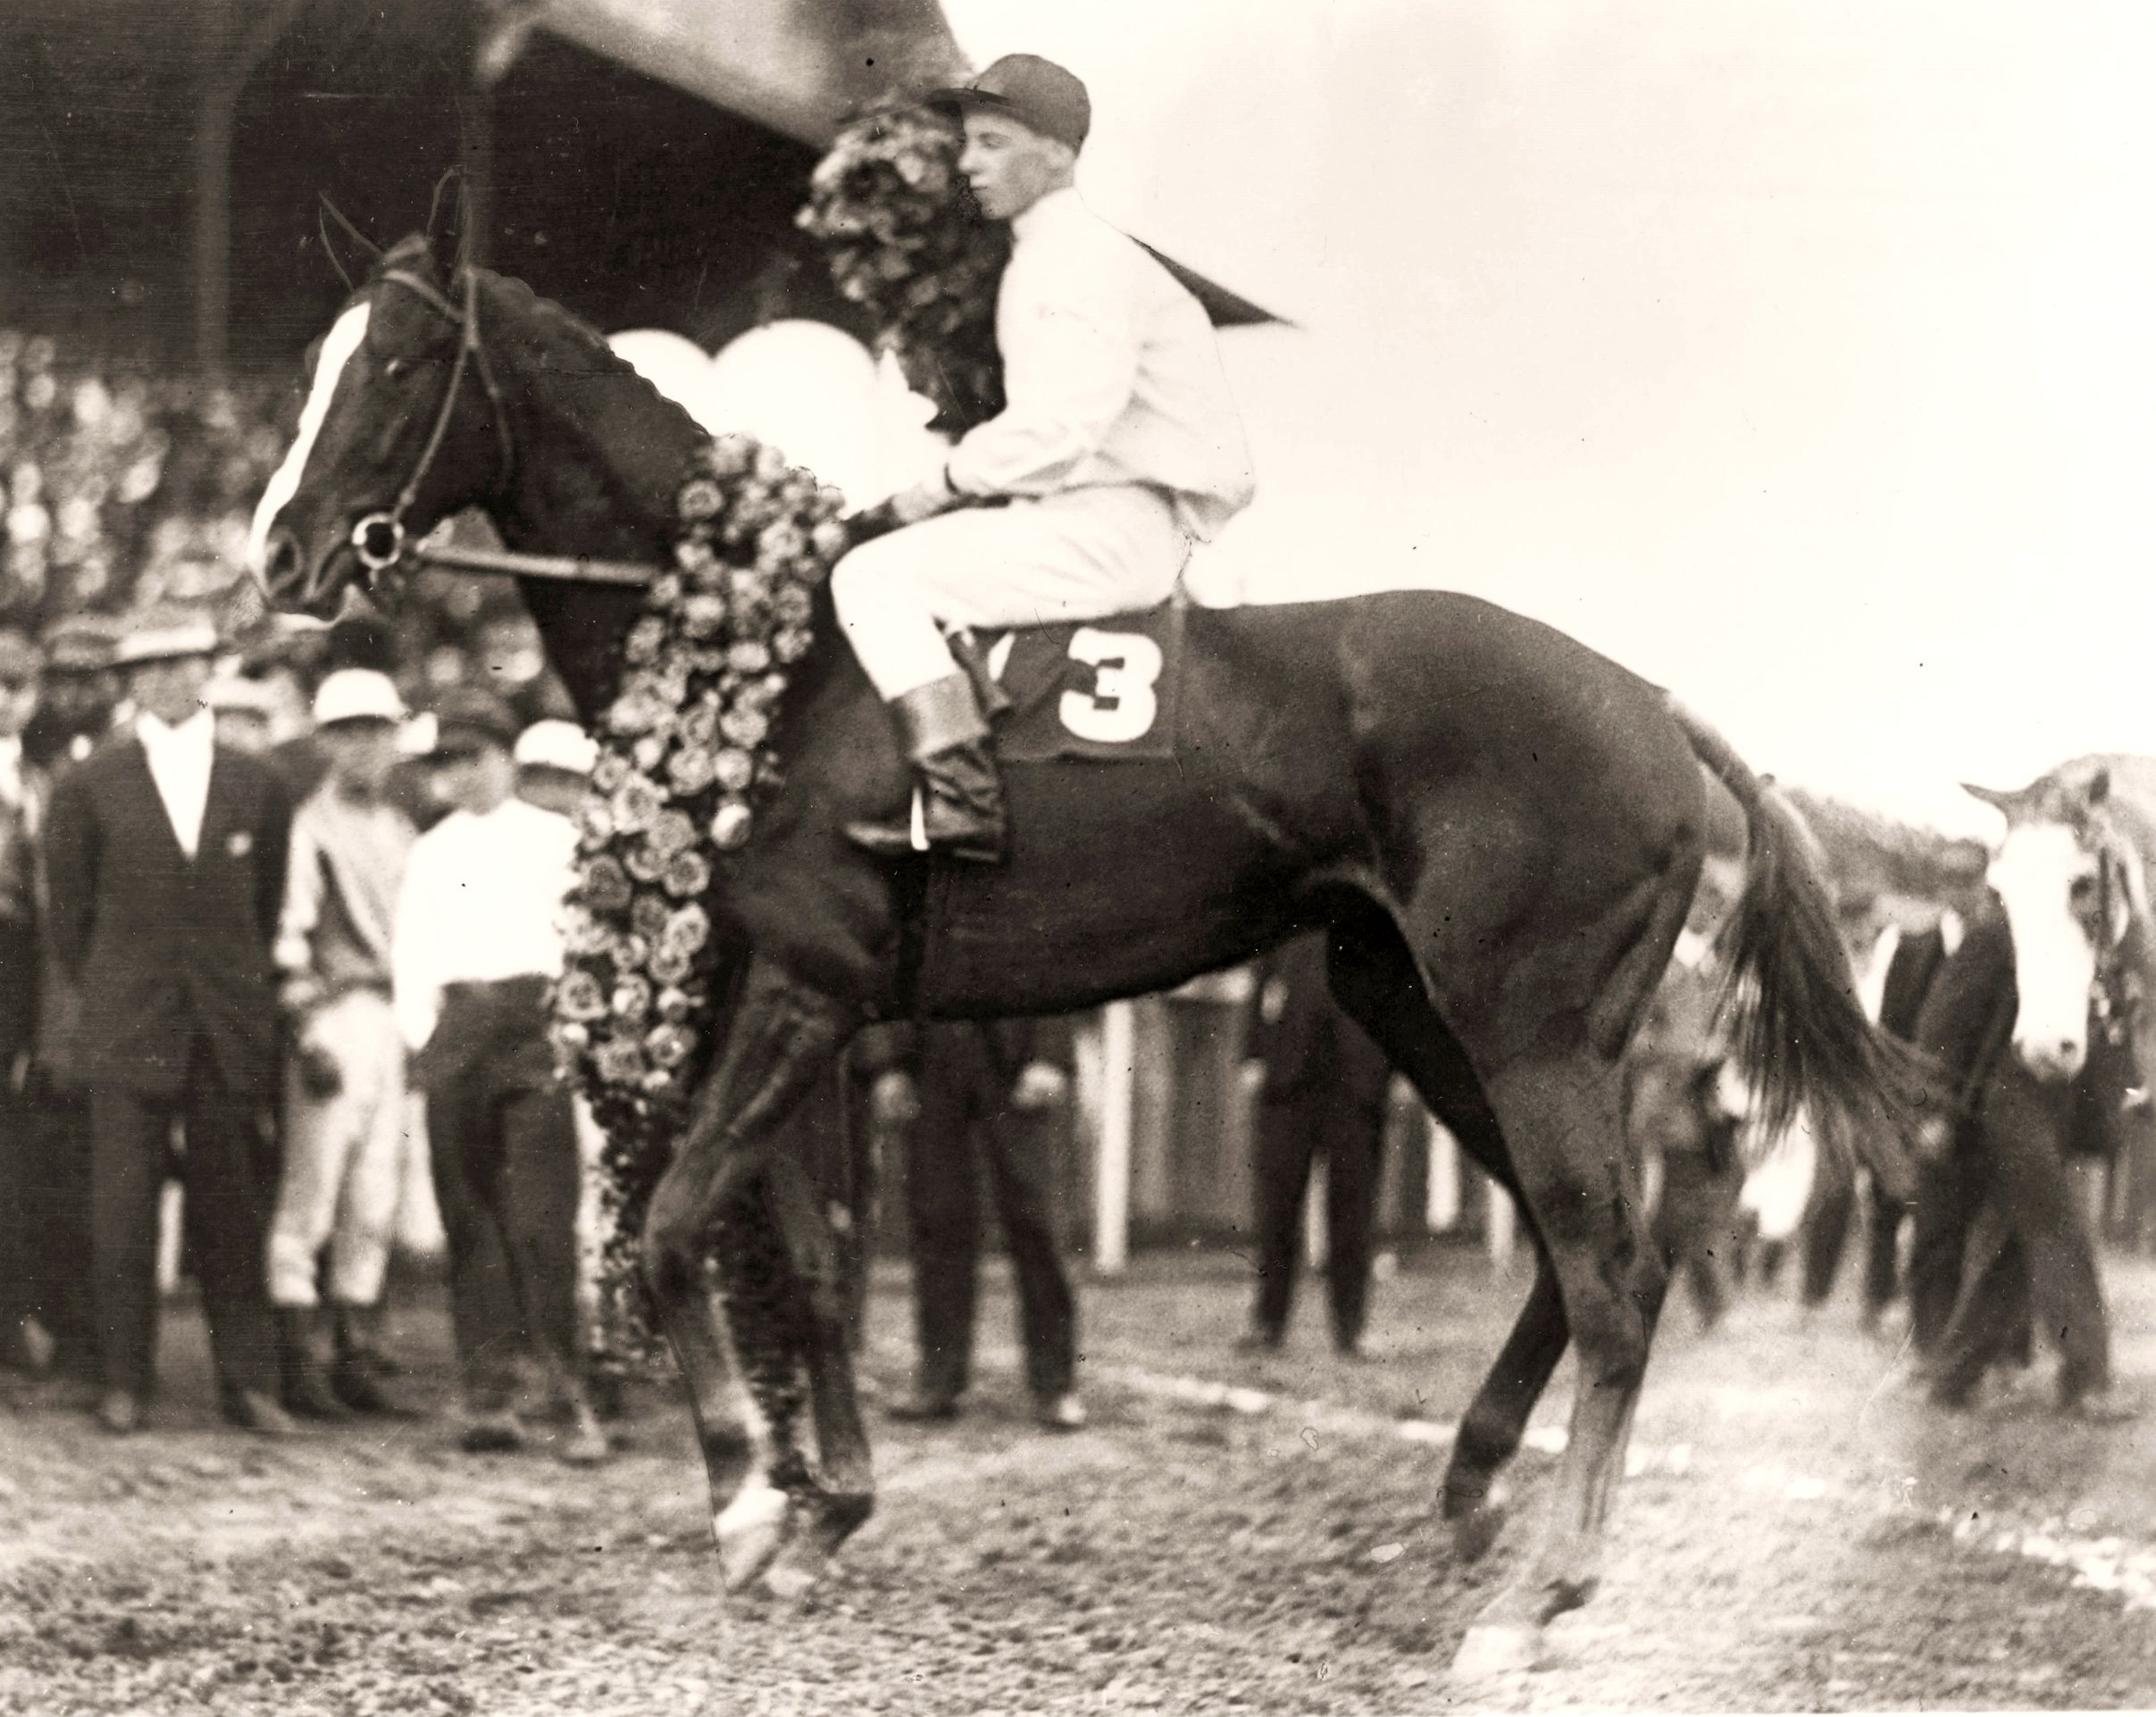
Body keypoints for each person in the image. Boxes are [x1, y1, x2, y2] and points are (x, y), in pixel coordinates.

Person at [830, 53, 1255, 863]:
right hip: (1102, 519)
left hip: (1109, 527)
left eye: (992, 143)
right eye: (968, 144)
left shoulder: (1075, 258)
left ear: (1057, 153)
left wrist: (929, 490)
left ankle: (962, 806)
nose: (969, 164)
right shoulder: (1057, 253)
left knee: (871, 577)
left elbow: (1059, 428)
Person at [42, 611, 297, 1437]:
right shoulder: (91, 784)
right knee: (124, 1212)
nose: (165, 680)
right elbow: (71, 922)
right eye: (147, 667)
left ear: (207, 669)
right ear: (128, 681)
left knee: (233, 1207)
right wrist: (124, 992)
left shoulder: (257, 782)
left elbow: (263, 903)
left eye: (181, 663)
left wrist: (229, 991)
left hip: (225, 1025)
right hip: (129, 1025)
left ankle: (248, 1383)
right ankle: (126, 1383)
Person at [393, 687, 606, 1463]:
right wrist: (426, 1036)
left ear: (507, 757)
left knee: (541, 1219)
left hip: (533, 1027)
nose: (464, 775)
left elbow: (583, 944)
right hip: (458, 1031)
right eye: (448, 762)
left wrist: (571, 1032)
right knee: (471, 1218)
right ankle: (490, 1392)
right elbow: (411, 954)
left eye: (475, 757)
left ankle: (563, 1393)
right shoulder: (432, 849)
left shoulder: (557, 840)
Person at [266, 670, 419, 1418]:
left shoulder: (399, 829)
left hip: (394, 1017)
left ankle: (356, 1354)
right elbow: (288, 940)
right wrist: (303, 1034)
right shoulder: (309, 827)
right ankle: (300, 1362)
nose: (367, 747)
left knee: (375, 1193)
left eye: (378, 732)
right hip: (335, 1017)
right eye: (351, 732)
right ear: (327, 741)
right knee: (312, 1189)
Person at [865, 1017, 1086, 1429]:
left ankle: (1055, 1385)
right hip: (930, 1057)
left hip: (1014, 1058)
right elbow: (889, 965)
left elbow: (1058, 957)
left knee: (1036, 1222)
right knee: (938, 1218)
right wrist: (886, 1064)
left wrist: (1050, 1055)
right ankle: (938, 1380)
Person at [1239, 936, 1393, 1357]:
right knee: (1278, 1208)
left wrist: (1396, 1068)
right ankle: (1268, 1323)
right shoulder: (1291, 911)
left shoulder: (1372, 919)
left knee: (1353, 1212)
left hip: (1357, 1084)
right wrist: (1252, 1053)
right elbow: (1262, 982)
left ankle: (1351, 1329)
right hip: (1289, 1082)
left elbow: (1398, 995)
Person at [0, 627, 51, 1374]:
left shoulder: (42, 783)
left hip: (18, 983)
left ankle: (10, 1324)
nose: (5, 701)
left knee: (13, 1155)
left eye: (16, 687)